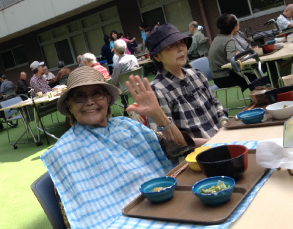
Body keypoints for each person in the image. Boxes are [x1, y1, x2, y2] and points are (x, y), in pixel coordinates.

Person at [40, 66, 195, 228]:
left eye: (96, 93)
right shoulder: (63, 153)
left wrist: (158, 114)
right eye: (79, 97)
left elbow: (181, 149)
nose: (90, 102)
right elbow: (75, 217)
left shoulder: (128, 126)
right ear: (70, 106)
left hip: (163, 203)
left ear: (107, 99)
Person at [146, 23, 229, 145]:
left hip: (222, 138)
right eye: (172, 46)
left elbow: (216, 103)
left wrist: (224, 124)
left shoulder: (196, 74)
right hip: (195, 153)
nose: (180, 48)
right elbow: (165, 139)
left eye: (182, 43)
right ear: (158, 56)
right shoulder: (156, 90)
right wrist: (208, 142)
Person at [208, 14, 258, 92]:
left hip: (217, 77)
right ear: (234, 28)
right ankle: (260, 99)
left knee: (250, 76)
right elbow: (231, 58)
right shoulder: (229, 40)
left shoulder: (217, 38)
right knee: (254, 77)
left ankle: (257, 99)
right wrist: (237, 55)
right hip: (225, 78)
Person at [111, 39, 139, 116]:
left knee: (116, 86)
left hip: (125, 88)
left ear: (115, 51)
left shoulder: (118, 64)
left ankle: (125, 108)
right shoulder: (133, 57)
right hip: (136, 83)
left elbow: (114, 81)